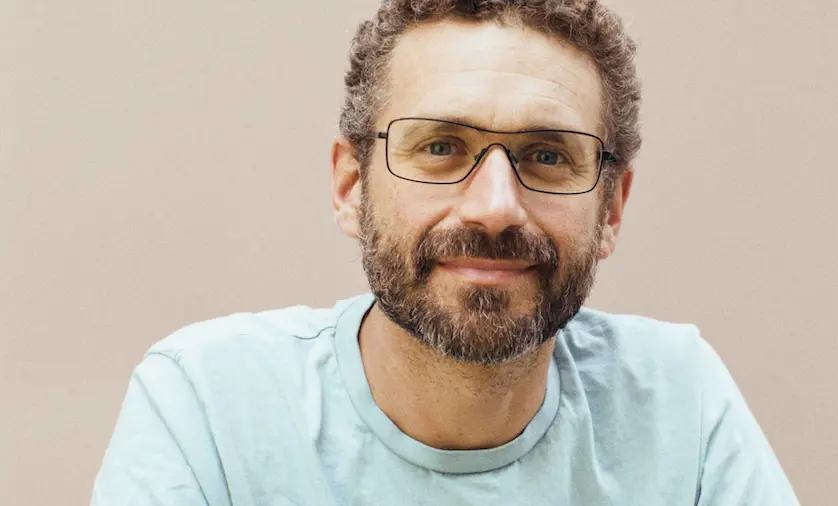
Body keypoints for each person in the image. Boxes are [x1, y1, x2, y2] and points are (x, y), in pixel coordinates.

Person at [92, 0, 800, 504]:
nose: (494, 205)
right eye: (439, 148)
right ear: (350, 185)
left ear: (611, 207)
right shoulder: (209, 405)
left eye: (548, 154)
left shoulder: (677, 399)